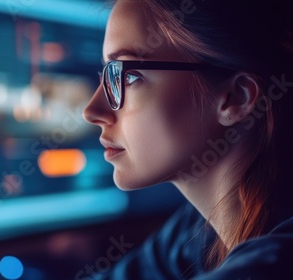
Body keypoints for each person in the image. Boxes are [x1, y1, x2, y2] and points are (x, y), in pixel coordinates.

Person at [82, 0, 293, 278]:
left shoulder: (273, 264)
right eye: (107, 76)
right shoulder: (196, 232)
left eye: (127, 77)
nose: (92, 111)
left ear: (236, 98)